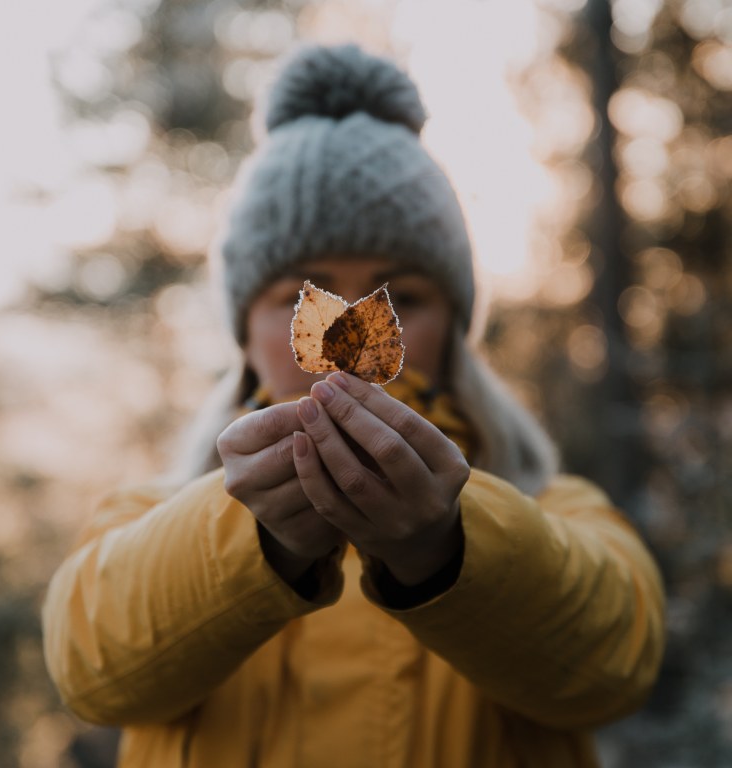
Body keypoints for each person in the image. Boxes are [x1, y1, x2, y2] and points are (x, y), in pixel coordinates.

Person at [42, 44, 665, 768]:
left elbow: (615, 664)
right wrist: (257, 539)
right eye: (303, 294)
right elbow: (90, 667)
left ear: (456, 330)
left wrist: (446, 548)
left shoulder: (557, 509)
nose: (347, 325)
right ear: (244, 335)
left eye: (401, 292)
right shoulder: (145, 519)